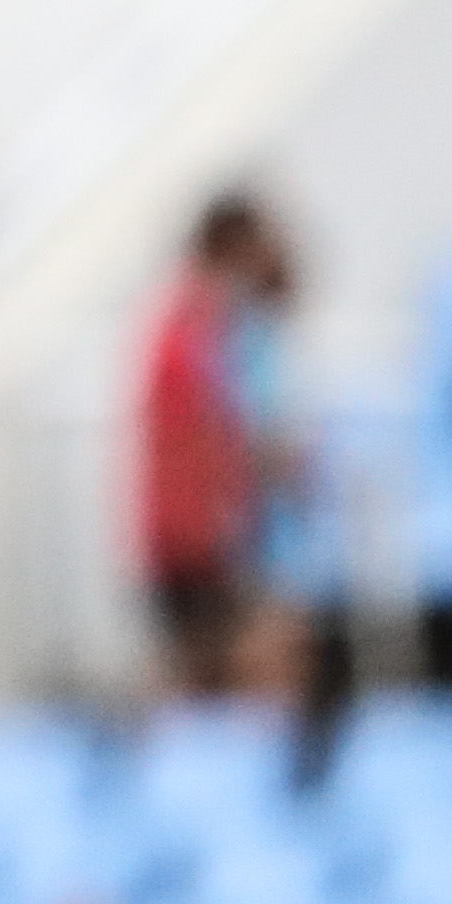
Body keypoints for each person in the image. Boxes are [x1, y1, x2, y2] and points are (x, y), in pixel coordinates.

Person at [138, 192, 312, 700]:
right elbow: (226, 433)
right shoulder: (198, 325)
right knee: (216, 673)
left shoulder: (200, 321)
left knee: (216, 672)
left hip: (205, 530)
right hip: (202, 534)